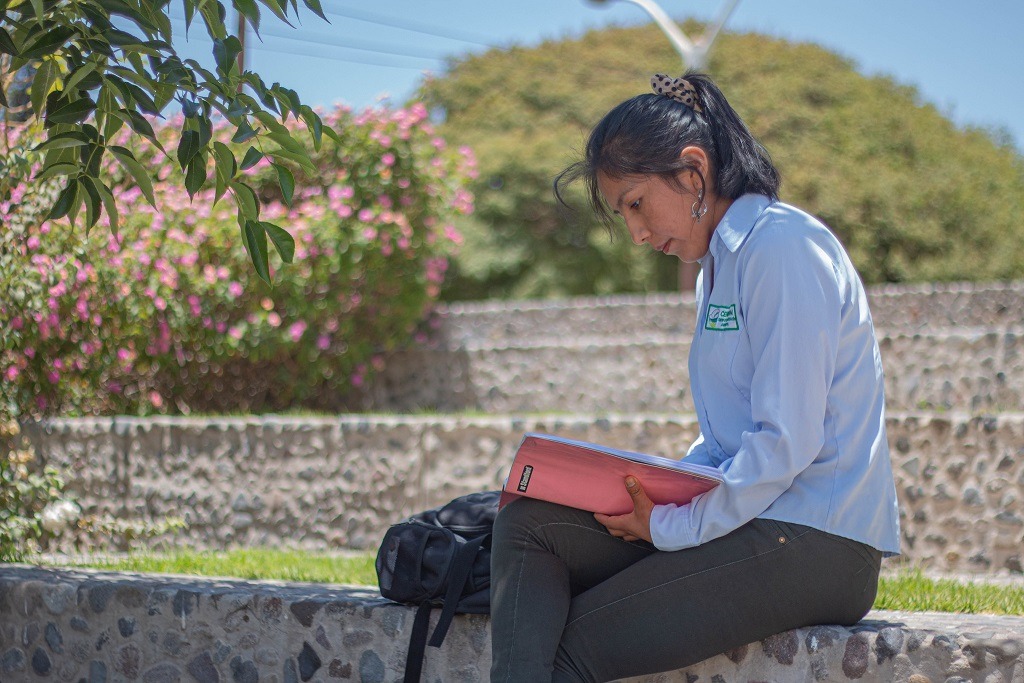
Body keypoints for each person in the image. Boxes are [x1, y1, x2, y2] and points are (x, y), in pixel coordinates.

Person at [488, 72, 901, 683]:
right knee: (531, 524)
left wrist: (674, 525)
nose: (636, 233)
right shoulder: (718, 268)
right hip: (754, 519)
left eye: (636, 203)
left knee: (572, 649)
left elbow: (786, 441)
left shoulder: (783, 247)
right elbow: (725, 439)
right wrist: (653, 492)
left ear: (692, 172)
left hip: (817, 541)